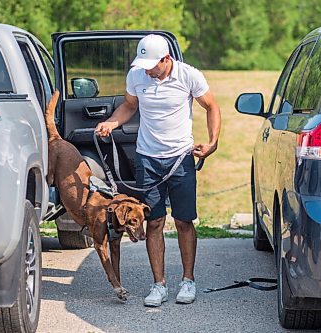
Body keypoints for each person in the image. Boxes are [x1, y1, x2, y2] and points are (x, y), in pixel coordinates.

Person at [95, 34, 221, 307]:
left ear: (166, 59)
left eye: (152, 64)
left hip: (180, 159)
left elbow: (211, 106)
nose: (147, 69)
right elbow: (129, 106)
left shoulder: (189, 76)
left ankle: (188, 281)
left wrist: (212, 142)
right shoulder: (137, 76)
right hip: (148, 159)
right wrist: (111, 123)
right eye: (143, 64)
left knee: (184, 221)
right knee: (153, 222)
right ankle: (159, 285)